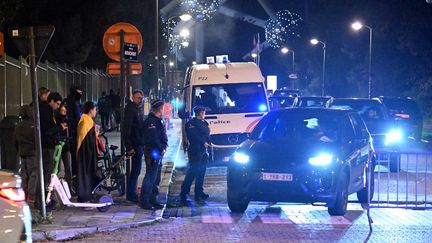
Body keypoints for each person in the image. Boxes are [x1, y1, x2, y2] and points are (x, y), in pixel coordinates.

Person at [35, 92, 64, 212]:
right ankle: (42, 201)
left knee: (45, 174)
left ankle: (43, 200)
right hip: (47, 147)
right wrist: (59, 128)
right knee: (47, 174)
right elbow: (47, 131)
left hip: (47, 146)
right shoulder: (46, 112)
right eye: (57, 104)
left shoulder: (47, 110)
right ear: (51, 101)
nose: (58, 107)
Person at [179, 106, 211, 205]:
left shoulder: (204, 123)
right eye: (204, 112)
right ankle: (184, 193)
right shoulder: (191, 124)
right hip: (195, 150)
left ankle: (199, 192)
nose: (204, 114)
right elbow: (193, 137)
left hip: (203, 151)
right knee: (192, 172)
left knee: (201, 172)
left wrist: (209, 143)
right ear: (200, 113)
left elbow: (206, 135)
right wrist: (203, 142)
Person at [140, 100, 168, 210]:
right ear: (160, 109)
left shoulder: (158, 121)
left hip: (157, 151)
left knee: (156, 176)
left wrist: (164, 146)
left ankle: (153, 199)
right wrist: (161, 148)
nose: (164, 110)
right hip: (153, 151)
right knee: (151, 175)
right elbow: (153, 139)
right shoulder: (151, 122)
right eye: (163, 108)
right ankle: (145, 200)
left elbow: (162, 136)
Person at [121, 90, 145, 203]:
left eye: (141, 98)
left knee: (136, 170)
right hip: (135, 144)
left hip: (139, 143)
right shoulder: (131, 110)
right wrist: (129, 146)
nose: (140, 100)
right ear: (133, 97)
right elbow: (126, 130)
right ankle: (131, 194)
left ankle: (133, 192)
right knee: (135, 170)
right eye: (138, 98)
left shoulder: (137, 109)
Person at [76, 101, 100, 203]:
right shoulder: (85, 122)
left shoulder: (86, 120)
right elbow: (87, 140)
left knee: (87, 174)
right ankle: (85, 196)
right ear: (91, 110)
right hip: (85, 153)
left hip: (86, 152)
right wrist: (96, 134)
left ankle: (87, 195)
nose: (96, 112)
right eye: (95, 109)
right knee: (85, 174)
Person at [14, 105, 37, 204]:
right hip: (32, 152)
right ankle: (31, 195)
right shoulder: (33, 125)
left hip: (22, 153)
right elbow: (36, 139)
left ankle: (24, 193)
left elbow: (15, 140)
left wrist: (19, 150)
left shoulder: (18, 126)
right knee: (33, 174)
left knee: (24, 174)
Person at [64, 86, 83, 177]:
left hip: (71, 132)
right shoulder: (74, 103)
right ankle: (75, 174)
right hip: (73, 133)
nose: (81, 94)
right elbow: (77, 118)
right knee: (75, 155)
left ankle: (73, 174)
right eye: (79, 92)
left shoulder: (69, 102)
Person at [55, 103, 73, 191]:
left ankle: (69, 186)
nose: (64, 112)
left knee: (68, 168)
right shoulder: (56, 120)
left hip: (66, 146)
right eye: (62, 110)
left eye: (65, 110)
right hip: (58, 146)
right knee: (56, 168)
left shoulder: (67, 120)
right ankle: (56, 187)